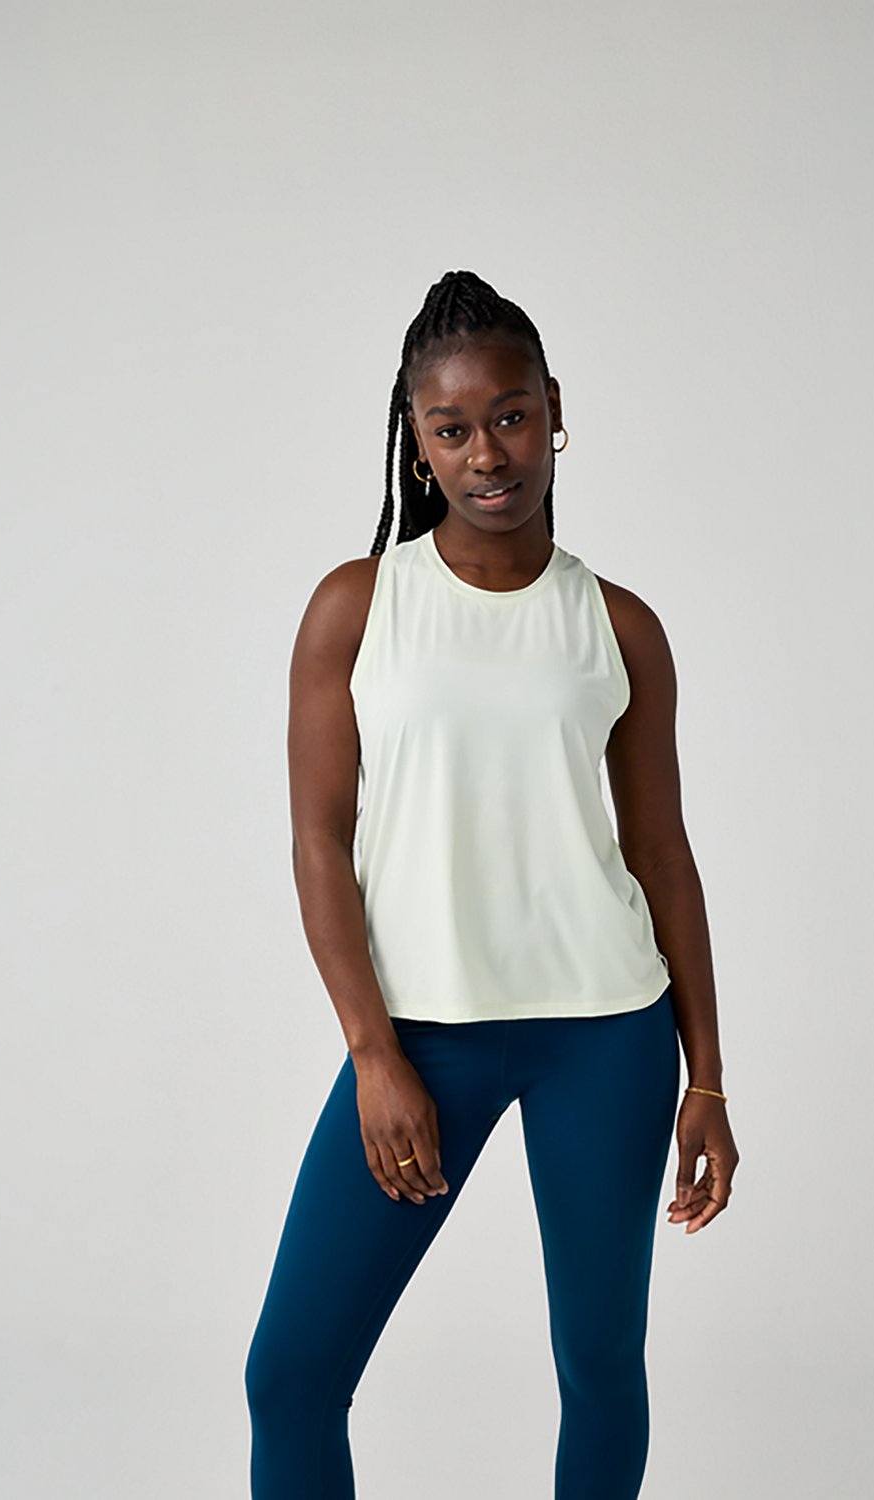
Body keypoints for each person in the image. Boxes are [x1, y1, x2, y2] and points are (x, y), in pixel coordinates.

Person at [244, 269, 739, 1499]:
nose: (487, 453)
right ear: (416, 441)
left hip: (608, 1036)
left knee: (601, 1370)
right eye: (452, 427)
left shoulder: (619, 627)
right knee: (292, 1375)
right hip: (421, 1038)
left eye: (510, 416)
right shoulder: (358, 608)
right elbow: (318, 841)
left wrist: (709, 1078)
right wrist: (373, 1053)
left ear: (554, 410)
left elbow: (662, 857)